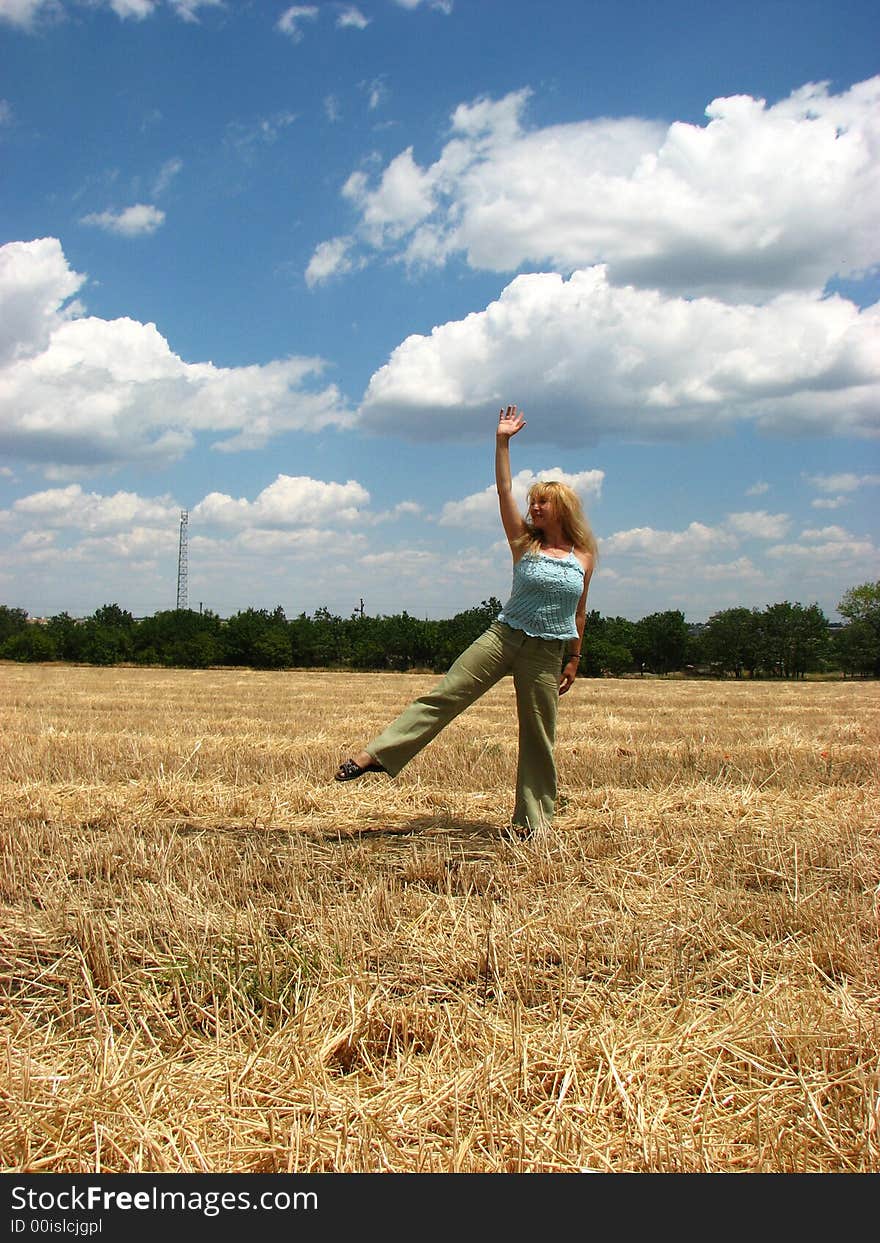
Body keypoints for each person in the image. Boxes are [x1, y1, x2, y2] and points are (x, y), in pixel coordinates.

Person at [334, 404, 597, 838]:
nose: (533, 507)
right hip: (503, 637)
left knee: (539, 735)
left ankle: (535, 825)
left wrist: (574, 658)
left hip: (548, 649)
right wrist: (502, 441)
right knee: (446, 694)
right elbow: (502, 490)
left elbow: (580, 612)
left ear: (562, 508)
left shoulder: (582, 558)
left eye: (542, 501)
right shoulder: (522, 543)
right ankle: (377, 754)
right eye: (532, 501)